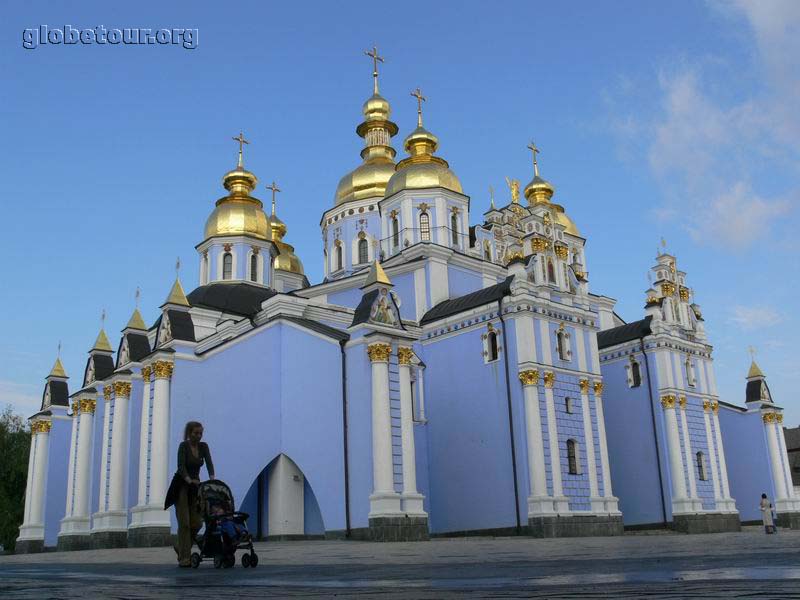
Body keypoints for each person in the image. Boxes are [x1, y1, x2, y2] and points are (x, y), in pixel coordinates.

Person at [165, 421, 215, 567]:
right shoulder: (183, 446)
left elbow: (209, 463)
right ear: (189, 433)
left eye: (200, 433)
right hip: (181, 486)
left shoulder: (203, 447)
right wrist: (189, 480)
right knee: (184, 523)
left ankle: (181, 547)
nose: (198, 436)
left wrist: (212, 479)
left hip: (195, 487)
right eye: (195, 433)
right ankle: (184, 558)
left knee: (197, 522)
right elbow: (181, 466)